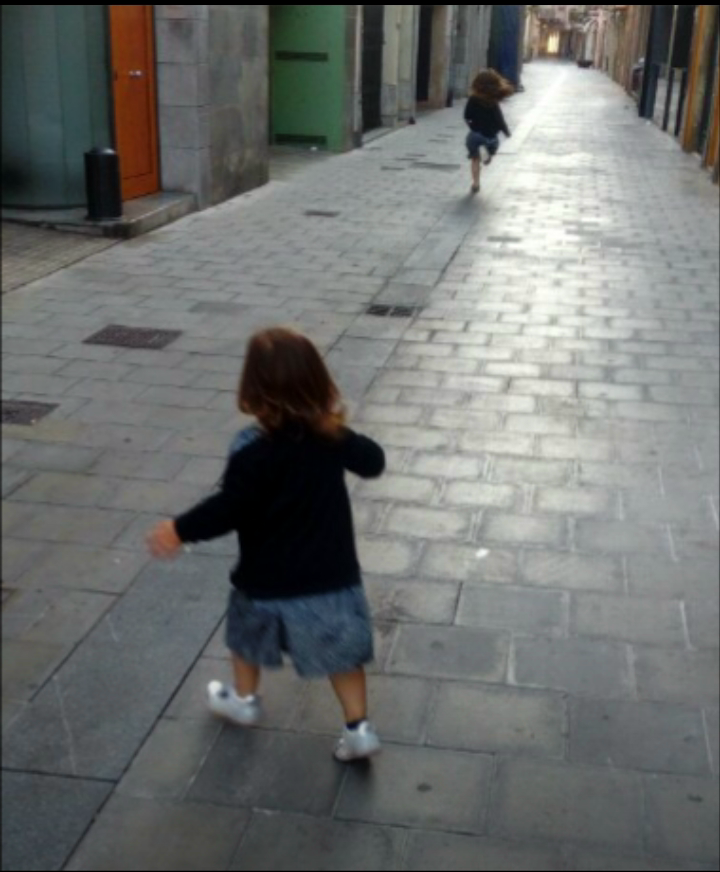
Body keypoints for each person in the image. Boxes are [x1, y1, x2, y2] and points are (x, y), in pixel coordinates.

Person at [147, 328, 386, 763]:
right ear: (319, 382)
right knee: (342, 657)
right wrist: (339, 431)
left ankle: (244, 699)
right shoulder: (330, 438)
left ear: (253, 390)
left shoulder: (250, 448)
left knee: (245, 639)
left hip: (265, 579)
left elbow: (229, 508)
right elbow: (374, 462)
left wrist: (179, 529)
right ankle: (359, 728)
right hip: (330, 577)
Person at [464, 70, 514, 194]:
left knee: (474, 159)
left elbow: (467, 116)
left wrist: (472, 126)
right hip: (490, 137)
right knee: (489, 149)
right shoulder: (493, 103)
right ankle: (487, 154)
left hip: (475, 135)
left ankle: (476, 183)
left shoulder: (473, 99)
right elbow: (500, 120)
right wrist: (506, 132)